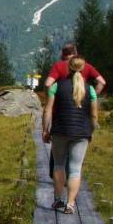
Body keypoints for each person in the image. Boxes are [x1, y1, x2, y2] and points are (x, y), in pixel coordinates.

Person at [42, 56, 99, 214]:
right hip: (82, 133)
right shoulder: (90, 89)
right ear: (83, 68)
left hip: (60, 131)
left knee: (59, 165)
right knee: (75, 168)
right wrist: (91, 132)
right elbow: (94, 116)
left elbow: (47, 110)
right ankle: (71, 204)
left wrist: (45, 130)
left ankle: (58, 200)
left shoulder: (56, 86)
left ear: (68, 67)